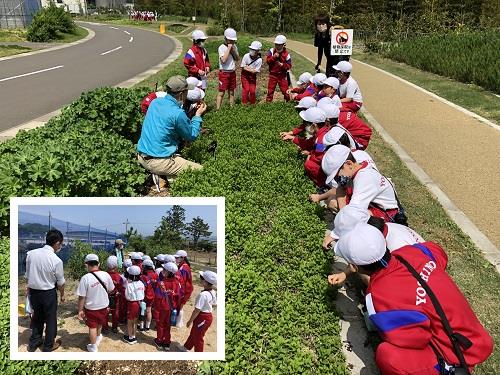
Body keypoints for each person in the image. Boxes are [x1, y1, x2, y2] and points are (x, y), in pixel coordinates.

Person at [335, 223, 494, 374]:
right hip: (474, 337)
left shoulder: (379, 295)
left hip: (458, 355)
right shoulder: (410, 252)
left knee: (387, 355)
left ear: (356, 267)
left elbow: (416, 339)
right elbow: (439, 253)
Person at [137, 75, 207, 183]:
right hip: (159, 162)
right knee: (202, 171)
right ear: (180, 94)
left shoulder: (155, 102)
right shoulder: (177, 113)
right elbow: (192, 135)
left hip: (141, 157)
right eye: (186, 91)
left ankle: (165, 176)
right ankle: (162, 174)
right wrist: (197, 116)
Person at [322, 145, 400, 220]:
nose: (337, 179)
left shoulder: (364, 179)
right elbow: (341, 188)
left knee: (340, 207)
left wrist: (343, 217)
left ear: (349, 164)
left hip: (386, 213)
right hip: (372, 205)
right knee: (334, 202)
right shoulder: (357, 163)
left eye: (337, 176)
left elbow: (353, 213)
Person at [25, 229, 65, 352]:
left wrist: (28, 288)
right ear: (57, 243)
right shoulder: (56, 260)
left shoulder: (30, 254)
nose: (61, 246)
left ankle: (34, 343)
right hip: (48, 293)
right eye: (61, 244)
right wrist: (63, 294)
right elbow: (61, 282)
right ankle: (48, 346)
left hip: (34, 292)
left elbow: (27, 275)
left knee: (37, 317)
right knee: (50, 319)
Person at [77, 254, 115, 352]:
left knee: (92, 326)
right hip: (104, 306)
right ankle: (98, 337)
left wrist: (80, 310)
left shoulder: (85, 278)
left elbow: (82, 296)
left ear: (86, 264)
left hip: (91, 308)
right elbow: (111, 289)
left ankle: (93, 346)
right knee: (100, 322)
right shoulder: (106, 275)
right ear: (98, 263)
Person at [181, 270, 217, 352]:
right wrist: (208, 305)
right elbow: (215, 304)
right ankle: (186, 347)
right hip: (206, 316)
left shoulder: (203, 295)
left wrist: (190, 321)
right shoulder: (212, 291)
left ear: (205, 282)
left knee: (198, 337)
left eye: (202, 278)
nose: (200, 280)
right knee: (194, 332)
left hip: (202, 317)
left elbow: (197, 310)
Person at [153, 262, 181, 351]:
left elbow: (158, 298)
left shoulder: (161, 283)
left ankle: (159, 341)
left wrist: (156, 311)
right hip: (171, 308)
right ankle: (167, 343)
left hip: (162, 307)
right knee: (168, 325)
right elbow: (178, 296)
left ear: (169, 272)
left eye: (164, 270)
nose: (162, 271)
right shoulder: (177, 283)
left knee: (160, 324)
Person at [216, 28, 239, 110]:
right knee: (221, 92)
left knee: (232, 92)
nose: (232, 42)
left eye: (233, 41)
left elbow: (237, 58)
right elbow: (223, 60)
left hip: (232, 72)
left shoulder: (234, 47)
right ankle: (218, 110)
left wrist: (233, 50)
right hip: (224, 73)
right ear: (225, 39)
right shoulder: (221, 47)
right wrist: (229, 49)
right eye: (230, 40)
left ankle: (231, 108)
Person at [266, 35, 292, 102]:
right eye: (276, 44)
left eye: (279, 44)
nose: (277, 46)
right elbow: (267, 61)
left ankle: (288, 102)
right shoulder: (271, 51)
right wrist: (273, 57)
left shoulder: (286, 54)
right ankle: (268, 104)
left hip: (282, 75)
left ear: (284, 45)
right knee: (270, 91)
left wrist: (283, 65)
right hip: (273, 75)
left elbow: (289, 66)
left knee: (285, 91)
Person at [123, 265, 145, 345]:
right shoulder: (141, 284)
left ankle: (130, 338)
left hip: (132, 304)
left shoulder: (129, 285)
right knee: (135, 321)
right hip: (139, 303)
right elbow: (142, 293)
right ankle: (134, 336)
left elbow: (127, 296)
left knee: (130, 321)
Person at [104, 255, 123, 334]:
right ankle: (114, 327)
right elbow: (121, 288)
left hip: (105, 297)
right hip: (115, 297)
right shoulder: (119, 277)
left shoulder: (104, 275)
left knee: (105, 312)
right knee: (115, 312)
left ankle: (105, 328)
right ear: (116, 266)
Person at [240, 41, 263, 105]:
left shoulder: (259, 60)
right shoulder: (246, 56)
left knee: (252, 91)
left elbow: (255, 72)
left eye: (254, 50)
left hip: (252, 77)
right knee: (246, 89)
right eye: (251, 49)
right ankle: (244, 103)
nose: (252, 51)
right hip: (244, 76)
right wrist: (251, 69)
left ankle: (253, 104)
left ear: (258, 51)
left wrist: (247, 68)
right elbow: (242, 67)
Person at [175, 250, 193, 327]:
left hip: (184, 290)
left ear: (183, 258)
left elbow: (182, 282)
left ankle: (178, 322)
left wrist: (180, 293)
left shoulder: (183, 268)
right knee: (179, 306)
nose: (176, 258)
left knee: (180, 306)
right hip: (186, 289)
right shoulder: (183, 266)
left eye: (177, 257)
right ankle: (178, 321)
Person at [139, 259, 157, 331]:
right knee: (149, 311)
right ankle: (147, 327)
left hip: (144, 296)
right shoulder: (155, 275)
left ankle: (141, 326)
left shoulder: (143, 276)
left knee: (142, 311)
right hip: (152, 295)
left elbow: (143, 288)